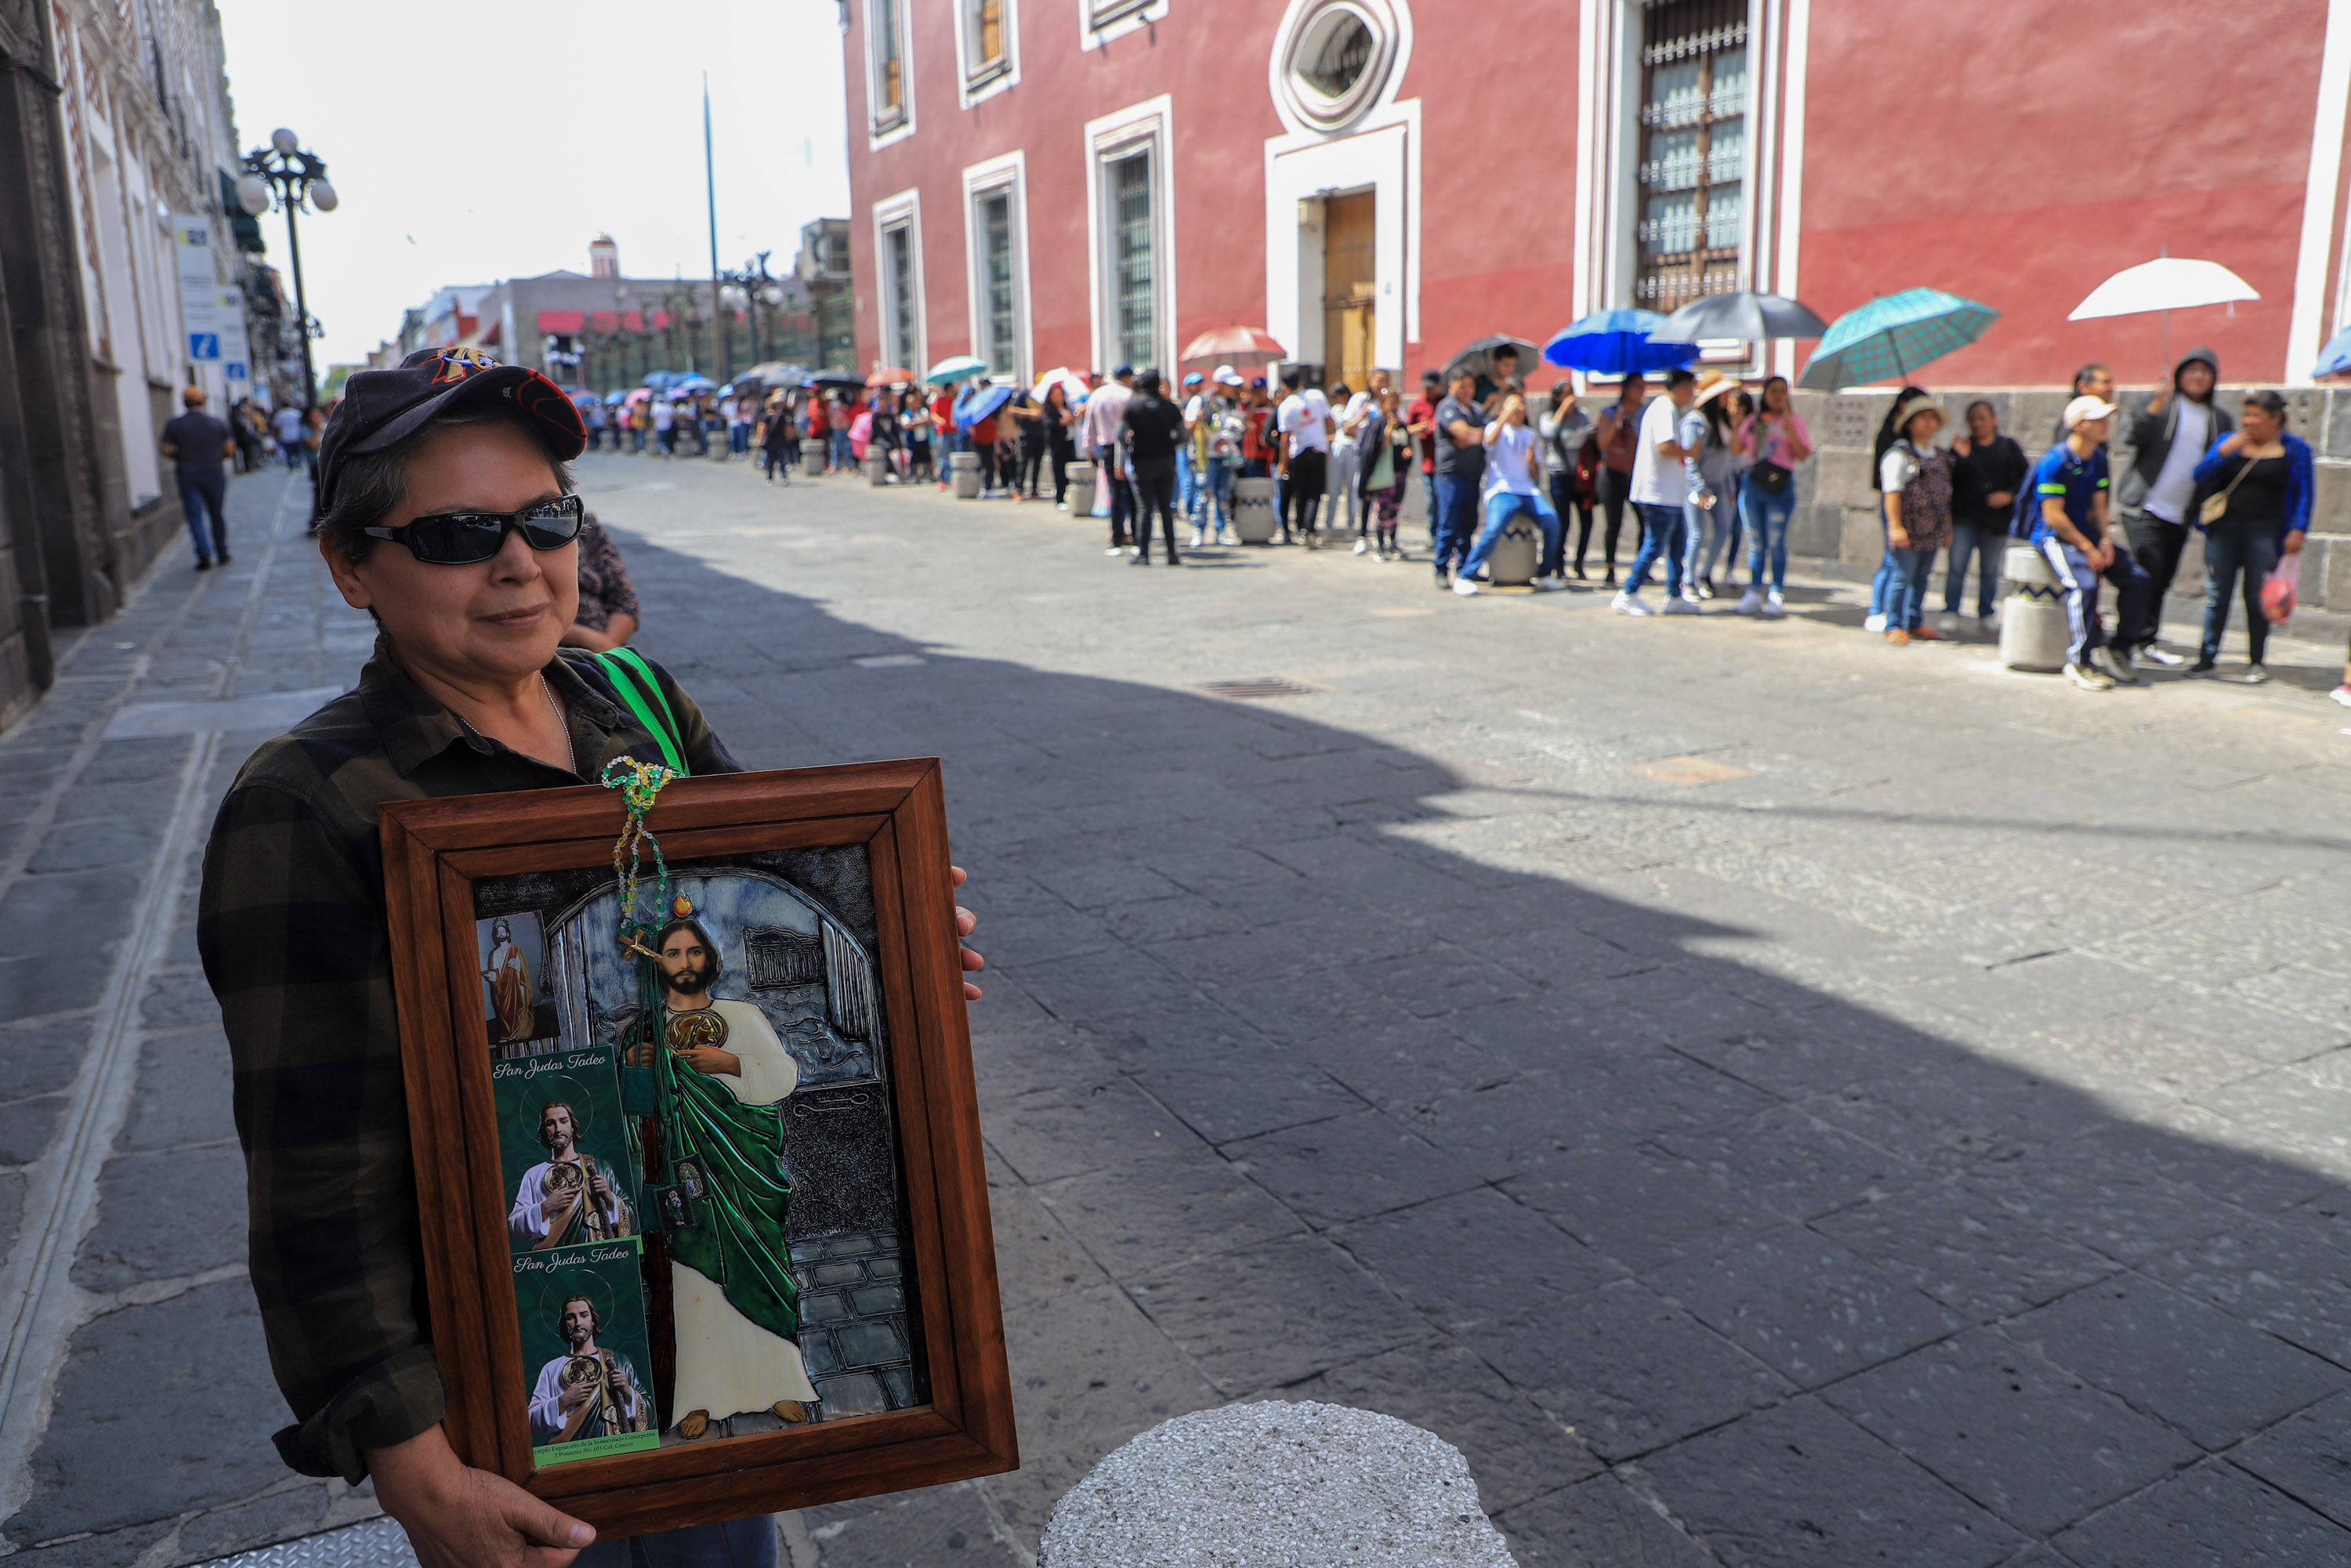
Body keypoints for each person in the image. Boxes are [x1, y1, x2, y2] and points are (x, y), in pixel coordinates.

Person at [197, 345, 985, 1568]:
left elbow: (765, 881)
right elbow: (314, 1178)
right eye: (458, 533)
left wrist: (897, 947)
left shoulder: (631, 695)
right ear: (352, 566)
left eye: (547, 518)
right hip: (508, 1356)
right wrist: (416, 1474)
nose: (520, 562)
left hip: (706, 1238)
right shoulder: (310, 803)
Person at [2030, 393, 2152, 690]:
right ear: (2079, 425)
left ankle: (2119, 648)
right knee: (2083, 585)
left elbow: (2100, 506)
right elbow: (2053, 516)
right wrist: (2086, 548)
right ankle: (2079, 661)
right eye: (2097, 420)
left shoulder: (2098, 458)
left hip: (2089, 535)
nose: (2105, 425)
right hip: (2056, 537)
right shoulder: (2055, 461)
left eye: (2106, 419)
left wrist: (2106, 541)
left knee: (2138, 579)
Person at [2117, 347, 2232, 664]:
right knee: (2147, 570)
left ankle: (2145, 639)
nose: (2198, 377)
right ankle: (2126, 639)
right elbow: (2130, 436)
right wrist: (2155, 404)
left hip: (2180, 513)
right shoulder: (2163, 405)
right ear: (2179, 374)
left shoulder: (2219, 419)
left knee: (2163, 577)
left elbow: (2220, 466)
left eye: (2205, 371)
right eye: (2192, 370)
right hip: (2144, 506)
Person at [2189, 389, 2310, 681]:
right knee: (2217, 595)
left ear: (2275, 418)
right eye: (2246, 414)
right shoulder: (2228, 443)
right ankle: (2207, 657)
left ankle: (2257, 660)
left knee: (2258, 597)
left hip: (2266, 532)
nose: (2248, 422)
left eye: (2256, 415)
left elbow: (2306, 492)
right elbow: (2199, 475)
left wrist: (2298, 529)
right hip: (2224, 530)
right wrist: (2222, 453)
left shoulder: (2294, 449)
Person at [1452, 393, 1564, 596]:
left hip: (1527, 490)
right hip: (1501, 489)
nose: (1517, 410)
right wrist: (1505, 415)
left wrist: (1531, 462)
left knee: (1552, 521)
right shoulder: (1495, 428)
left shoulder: (1530, 435)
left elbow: (1535, 474)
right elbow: (1489, 441)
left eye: (1520, 406)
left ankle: (1546, 574)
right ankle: (1466, 574)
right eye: (1513, 406)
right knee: (1494, 527)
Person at [1612, 368, 1699, 616]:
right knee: (1654, 545)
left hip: (1669, 494)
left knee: (1677, 545)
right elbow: (1665, 446)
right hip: (1659, 494)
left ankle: (1674, 595)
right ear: (1682, 388)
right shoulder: (1665, 408)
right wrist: (1689, 451)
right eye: (1692, 388)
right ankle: (1628, 592)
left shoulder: (1666, 408)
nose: (1693, 394)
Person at [1878, 393, 1954, 646]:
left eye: (1932, 418)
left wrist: (1947, 527)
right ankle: (1894, 624)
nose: (1928, 423)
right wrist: (1895, 526)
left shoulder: (1940, 456)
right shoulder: (1899, 455)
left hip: (1932, 527)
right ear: (1910, 422)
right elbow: (1892, 492)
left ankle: (1914, 620)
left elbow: (1946, 494)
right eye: (1922, 418)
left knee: (1922, 577)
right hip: (1909, 527)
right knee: (1902, 577)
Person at [1730, 375, 1809, 617]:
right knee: (1756, 542)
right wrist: (1736, 425)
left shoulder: (1793, 421)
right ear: (1764, 394)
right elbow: (1736, 450)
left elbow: (1803, 454)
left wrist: (1790, 432)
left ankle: (1776, 591)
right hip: (1754, 485)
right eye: (1773, 391)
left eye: (1782, 391)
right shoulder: (1756, 421)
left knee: (1776, 542)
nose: (1777, 396)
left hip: (1780, 487)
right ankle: (1754, 591)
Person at [508, 1102, 632, 1250]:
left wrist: (609, 1197)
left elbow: (630, 1215)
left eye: (563, 1121)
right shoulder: (534, 1174)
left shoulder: (599, 1167)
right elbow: (515, 1225)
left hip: (597, 1253)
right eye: (550, 1123)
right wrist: (545, 1208)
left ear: (572, 1126)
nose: (558, 1129)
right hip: (555, 1259)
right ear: (544, 1130)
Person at [527, 1295, 648, 1447]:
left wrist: (627, 1391)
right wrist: (563, 1401)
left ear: (593, 1320)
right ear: (564, 1324)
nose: (578, 1323)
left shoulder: (618, 1362)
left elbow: (647, 1408)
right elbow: (531, 1419)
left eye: (584, 1315)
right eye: (571, 1317)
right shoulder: (552, 1368)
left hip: (615, 1447)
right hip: (571, 1452)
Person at [1943, 400, 2026, 622]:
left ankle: (1986, 611)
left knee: (1990, 570)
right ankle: (1951, 610)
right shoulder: (1963, 447)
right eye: (1973, 419)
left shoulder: (2008, 447)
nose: (1977, 423)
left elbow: (2027, 479)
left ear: (1993, 420)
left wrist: (2010, 495)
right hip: (1965, 517)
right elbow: (1949, 481)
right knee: (1957, 566)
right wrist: (1961, 458)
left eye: (1982, 418)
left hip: (1995, 520)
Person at [159, 385, 237, 570]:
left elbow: (165, 449)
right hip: (213, 472)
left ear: (184, 402)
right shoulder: (217, 423)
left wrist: (181, 456)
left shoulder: (175, 424)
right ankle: (222, 551)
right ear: (203, 401)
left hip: (188, 473)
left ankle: (204, 554)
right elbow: (229, 449)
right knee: (216, 514)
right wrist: (216, 457)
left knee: (194, 516)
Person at [1679, 373, 1739, 600]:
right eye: (1724, 394)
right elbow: (1689, 460)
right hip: (1697, 488)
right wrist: (1700, 488)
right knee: (1697, 534)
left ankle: (1705, 575)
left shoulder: (1723, 422)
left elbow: (1728, 460)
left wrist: (1730, 489)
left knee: (1724, 530)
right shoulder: (1695, 422)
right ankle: (1687, 581)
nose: (1728, 398)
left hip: (1720, 485)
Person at [1121, 368, 1186, 566]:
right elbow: (1183, 436)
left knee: (1144, 508)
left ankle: (1143, 553)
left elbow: (1119, 433)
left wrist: (1129, 447)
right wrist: (1169, 445)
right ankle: (1172, 554)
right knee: (1166, 508)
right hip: (1165, 461)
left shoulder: (1133, 407)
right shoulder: (1169, 407)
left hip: (1142, 461)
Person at [1430, 368, 1487, 588]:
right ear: (1452, 386)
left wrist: (1473, 436)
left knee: (1468, 524)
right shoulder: (1447, 407)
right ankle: (1441, 568)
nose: (1467, 390)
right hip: (1450, 475)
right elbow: (1463, 434)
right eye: (1462, 385)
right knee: (1448, 523)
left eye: (1470, 385)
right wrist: (1474, 435)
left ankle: (1465, 568)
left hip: (1472, 474)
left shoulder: (1476, 410)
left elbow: (1482, 435)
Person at [1588, 378, 1647, 587]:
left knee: (1644, 520)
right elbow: (1602, 443)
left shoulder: (1644, 412)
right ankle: (1610, 568)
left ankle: (1643, 567)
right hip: (1612, 474)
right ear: (1627, 389)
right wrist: (1617, 422)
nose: (1642, 391)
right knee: (1614, 522)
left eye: (1644, 386)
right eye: (1638, 386)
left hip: (1635, 474)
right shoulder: (1610, 412)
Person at [561, 511, 639, 653]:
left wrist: (606, 651)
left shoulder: (584, 525)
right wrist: (583, 637)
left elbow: (626, 603)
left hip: (603, 649)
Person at [1537, 383, 1592, 578]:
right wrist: (1562, 410)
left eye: (1572, 394)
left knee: (1587, 520)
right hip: (1559, 474)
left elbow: (1589, 435)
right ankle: (1558, 564)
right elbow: (1549, 432)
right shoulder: (1548, 416)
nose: (1571, 398)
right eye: (1566, 394)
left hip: (1580, 475)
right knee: (1563, 520)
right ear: (1557, 397)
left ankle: (1579, 562)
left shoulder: (1582, 415)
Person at [1275, 367, 1332, 546]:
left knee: (1301, 493)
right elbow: (1329, 421)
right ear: (1300, 382)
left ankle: (1302, 528)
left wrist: (1283, 463)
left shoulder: (1286, 405)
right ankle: (1308, 527)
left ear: (1285, 386)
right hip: (1318, 450)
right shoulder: (1317, 396)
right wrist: (1330, 439)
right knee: (1314, 494)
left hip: (1298, 453)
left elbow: (1285, 437)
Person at [1085, 365, 1137, 552]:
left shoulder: (1098, 395)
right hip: (1128, 445)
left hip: (1106, 445)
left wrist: (1089, 448)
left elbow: (1089, 424)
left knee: (1114, 492)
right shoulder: (1129, 394)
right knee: (1132, 491)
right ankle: (1136, 533)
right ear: (1127, 377)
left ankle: (1117, 533)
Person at [1355, 384, 1411, 559]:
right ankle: (1379, 543)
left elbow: (1407, 443)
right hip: (1383, 475)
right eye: (1390, 403)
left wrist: (1408, 451)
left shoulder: (1401, 424)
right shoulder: (1378, 423)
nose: (1393, 406)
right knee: (1383, 509)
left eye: (1396, 403)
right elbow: (1375, 448)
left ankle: (1392, 542)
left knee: (1395, 509)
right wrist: (1388, 429)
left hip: (1399, 472)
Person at [1330, 374, 1378, 545]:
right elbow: (1347, 428)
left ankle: (1352, 524)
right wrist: (1360, 416)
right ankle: (1330, 524)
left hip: (1356, 449)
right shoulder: (1340, 409)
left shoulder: (1369, 403)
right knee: (1334, 487)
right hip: (1341, 447)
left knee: (1354, 488)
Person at [1404, 368, 1442, 540]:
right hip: (1429, 463)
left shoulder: (1445, 402)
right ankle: (1434, 536)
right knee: (1432, 501)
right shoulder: (1417, 404)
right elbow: (1406, 430)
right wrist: (1418, 429)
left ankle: (1444, 535)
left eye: (1431, 387)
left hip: (1446, 463)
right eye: (1425, 387)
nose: (1427, 390)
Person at [2052, 363, 2115, 447]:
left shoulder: (2099, 457)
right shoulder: (2074, 417)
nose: (2111, 388)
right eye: (2105, 383)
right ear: (2083, 387)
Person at [273, 401, 305, 469]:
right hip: (296, 435)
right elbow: (302, 422)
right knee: (298, 452)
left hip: (285, 436)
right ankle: (298, 462)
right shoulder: (296, 413)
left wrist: (276, 436)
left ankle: (291, 465)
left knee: (288, 453)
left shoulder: (280, 414)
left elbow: (276, 426)